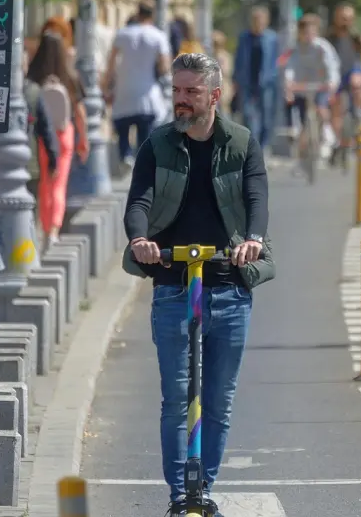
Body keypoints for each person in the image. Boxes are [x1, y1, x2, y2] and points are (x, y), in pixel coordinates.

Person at [121, 53, 276, 517]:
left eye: (191, 91)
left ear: (214, 96)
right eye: (176, 90)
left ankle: (202, 489)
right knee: (176, 399)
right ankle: (179, 494)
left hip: (229, 287)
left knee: (218, 402)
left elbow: (256, 198)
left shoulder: (242, 143)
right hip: (174, 285)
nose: (181, 100)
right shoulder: (158, 144)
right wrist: (140, 239)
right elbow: (139, 200)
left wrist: (253, 240)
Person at [26, 32, 90, 247]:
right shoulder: (70, 77)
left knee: (43, 184)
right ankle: (53, 231)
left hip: (40, 136)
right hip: (64, 136)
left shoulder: (34, 76)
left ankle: (42, 228)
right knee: (59, 185)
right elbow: (80, 112)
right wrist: (84, 139)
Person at [102, 1, 172, 168]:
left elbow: (111, 64)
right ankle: (142, 159)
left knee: (123, 125)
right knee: (145, 129)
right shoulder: (158, 36)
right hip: (147, 92)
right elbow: (164, 67)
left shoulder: (122, 34)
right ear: (152, 15)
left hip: (124, 89)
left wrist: (106, 85)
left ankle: (125, 154)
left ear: (138, 13)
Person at [283, 14, 340, 166]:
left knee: (321, 108)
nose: (308, 36)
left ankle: (328, 137)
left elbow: (332, 67)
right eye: (304, 32)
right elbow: (290, 67)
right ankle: (298, 137)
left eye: (311, 32)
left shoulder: (323, 47)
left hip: (321, 85)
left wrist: (332, 83)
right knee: (298, 112)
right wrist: (289, 83)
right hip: (302, 87)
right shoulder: (295, 49)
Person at [232, 6, 279, 149]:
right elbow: (238, 59)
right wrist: (235, 79)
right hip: (247, 82)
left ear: (266, 21)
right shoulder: (244, 37)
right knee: (247, 114)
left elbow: (276, 60)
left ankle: (262, 146)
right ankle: (251, 145)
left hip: (266, 83)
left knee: (266, 116)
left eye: (261, 20)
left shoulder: (272, 38)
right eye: (255, 20)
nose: (258, 23)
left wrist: (273, 77)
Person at [328, 3, 361, 165]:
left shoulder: (358, 38)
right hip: (335, 75)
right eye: (342, 18)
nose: (345, 22)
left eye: (349, 19)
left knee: (358, 87)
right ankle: (338, 142)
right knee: (336, 110)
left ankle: (359, 118)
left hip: (353, 73)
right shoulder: (329, 37)